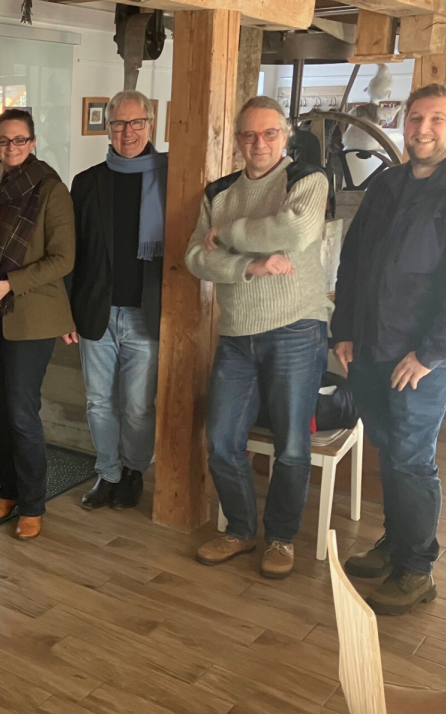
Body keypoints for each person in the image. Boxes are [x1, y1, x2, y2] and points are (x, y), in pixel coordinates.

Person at [333, 83, 446, 615]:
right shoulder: (388, 183)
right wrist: (344, 329)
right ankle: (395, 545)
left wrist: (430, 354)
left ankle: (416, 569)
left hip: (424, 360)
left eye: (436, 119)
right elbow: (353, 259)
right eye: (415, 118)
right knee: (389, 449)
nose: (422, 129)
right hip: (372, 346)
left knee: (411, 458)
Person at [186, 96, 330, 579]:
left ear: (285, 136)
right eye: (248, 134)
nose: (259, 143)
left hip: (296, 328)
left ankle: (282, 539)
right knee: (221, 439)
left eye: (269, 133)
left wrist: (226, 232)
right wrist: (249, 266)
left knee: (292, 445)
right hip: (236, 334)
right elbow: (195, 257)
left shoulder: (307, 179)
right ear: (237, 139)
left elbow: (294, 230)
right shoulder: (218, 191)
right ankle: (241, 530)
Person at [0, 108, 75, 540]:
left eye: (19, 139)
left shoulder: (51, 190)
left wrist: (10, 284)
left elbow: (63, 259)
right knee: (0, 412)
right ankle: (8, 492)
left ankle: (33, 503)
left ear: (33, 142)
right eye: (4, 141)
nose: (11, 147)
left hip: (31, 318)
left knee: (23, 413)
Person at [65, 91, 165, 511]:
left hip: (148, 313)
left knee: (138, 406)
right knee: (98, 402)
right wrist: (66, 312)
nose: (128, 132)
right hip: (96, 312)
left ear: (150, 124)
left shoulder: (170, 177)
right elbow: (71, 253)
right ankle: (107, 473)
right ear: (107, 129)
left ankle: (134, 472)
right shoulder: (87, 183)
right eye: (119, 124)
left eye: (136, 122)